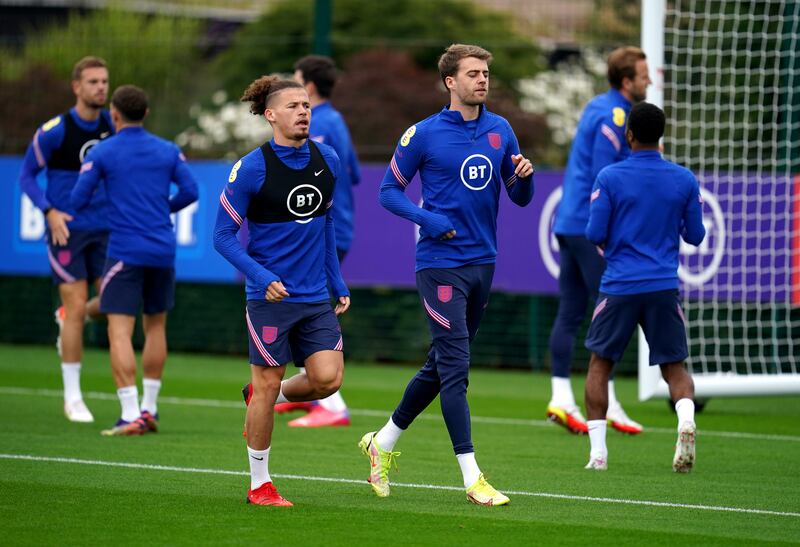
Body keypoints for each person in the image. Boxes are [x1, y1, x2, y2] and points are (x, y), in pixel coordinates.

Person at [358, 44, 534, 506]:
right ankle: (473, 477)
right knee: (456, 369)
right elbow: (387, 193)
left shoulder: (501, 130)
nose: (483, 80)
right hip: (438, 266)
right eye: (473, 74)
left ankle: (382, 444)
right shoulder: (423, 134)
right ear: (450, 82)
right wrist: (428, 220)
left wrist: (525, 176)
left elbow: (519, 197)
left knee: (440, 364)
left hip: (483, 263)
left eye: (486, 73)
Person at [214, 75, 350, 507]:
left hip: (314, 298)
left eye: (306, 104)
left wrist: (337, 280)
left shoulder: (327, 158)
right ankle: (260, 484)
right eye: (293, 106)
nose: (303, 111)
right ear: (270, 115)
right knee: (267, 385)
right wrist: (261, 276)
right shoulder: (252, 168)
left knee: (328, 380)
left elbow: (326, 224)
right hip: (268, 300)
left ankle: (260, 396)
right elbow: (223, 236)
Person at [582, 102, 704, 472]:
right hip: (663, 285)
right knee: (675, 369)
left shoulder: (610, 177)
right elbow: (696, 235)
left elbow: (593, 233)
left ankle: (598, 455)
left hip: (620, 284)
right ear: (661, 136)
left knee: (600, 366)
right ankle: (685, 420)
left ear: (629, 134)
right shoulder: (684, 179)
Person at [71, 85, 198, 436]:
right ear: (145, 113)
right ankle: (150, 408)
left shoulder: (103, 152)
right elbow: (190, 192)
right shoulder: (168, 150)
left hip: (124, 251)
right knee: (155, 326)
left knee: (120, 331)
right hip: (162, 249)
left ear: (114, 114)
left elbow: (78, 199)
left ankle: (130, 413)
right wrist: (162, 208)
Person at [547, 46, 651, 435]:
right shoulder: (615, 114)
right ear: (627, 81)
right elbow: (605, 175)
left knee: (572, 310)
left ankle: (560, 397)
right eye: (644, 75)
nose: (650, 80)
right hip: (587, 225)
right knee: (612, 309)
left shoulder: (596, 105)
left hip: (568, 220)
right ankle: (607, 403)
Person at [253, 54, 360, 428]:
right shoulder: (339, 122)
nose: (302, 109)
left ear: (310, 87)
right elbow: (356, 175)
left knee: (306, 306)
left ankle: (325, 405)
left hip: (320, 231)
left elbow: (331, 176)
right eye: (293, 104)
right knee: (302, 311)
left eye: (302, 97)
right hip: (331, 229)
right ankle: (290, 394)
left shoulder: (322, 130)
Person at [18, 56, 114, 423]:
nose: (100, 88)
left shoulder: (113, 125)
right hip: (67, 230)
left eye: (104, 81)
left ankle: (67, 318)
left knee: (113, 300)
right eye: (93, 82)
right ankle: (73, 398)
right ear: (77, 87)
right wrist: (49, 210)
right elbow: (27, 176)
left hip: (107, 228)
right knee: (75, 308)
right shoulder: (55, 130)